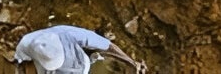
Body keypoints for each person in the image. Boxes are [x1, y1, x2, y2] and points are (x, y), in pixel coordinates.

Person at [15, 24, 145, 73]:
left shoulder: (68, 34)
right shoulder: (26, 47)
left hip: (84, 62)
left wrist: (131, 63)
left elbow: (108, 46)